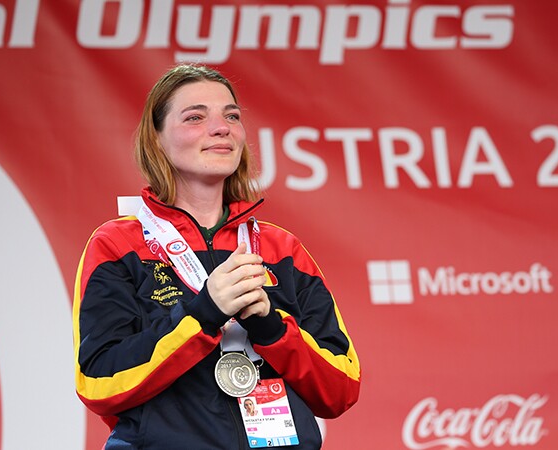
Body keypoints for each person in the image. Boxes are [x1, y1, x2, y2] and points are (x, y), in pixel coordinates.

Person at [73, 64, 360, 449]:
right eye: (195, 117)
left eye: (231, 116)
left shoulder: (282, 249)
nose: (221, 127)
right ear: (156, 140)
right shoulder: (117, 244)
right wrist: (202, 314)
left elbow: (340, 389)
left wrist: (272, 328)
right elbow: (100, 383)